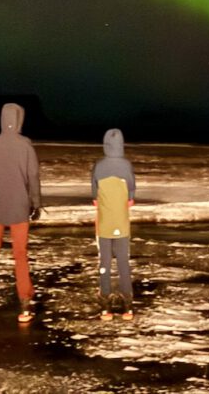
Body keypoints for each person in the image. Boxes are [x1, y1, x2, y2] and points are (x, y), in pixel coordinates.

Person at [0, 102, 41, 324]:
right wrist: (35, 204)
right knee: (20, 255)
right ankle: (24, 302)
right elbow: (33, 177)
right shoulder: (25, 146)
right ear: (19, 119)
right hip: (20, 208)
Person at [91, 127, 136, 320]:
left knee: (105, 262)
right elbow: (132, 193)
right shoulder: (126, 166)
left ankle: (106, 305)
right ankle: (127, 305)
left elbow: (94, 196)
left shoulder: (99, 166)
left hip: (104, 223)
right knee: (123, 262)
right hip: (122, 223)